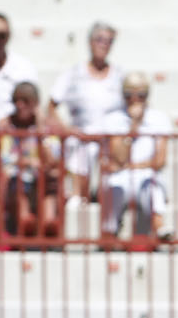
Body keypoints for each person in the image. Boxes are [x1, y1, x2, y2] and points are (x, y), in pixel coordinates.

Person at [47, 21, 123, 202]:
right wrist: (67, 130)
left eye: (109, 41)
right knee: (80, 194)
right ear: (90, 42)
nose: (104, 45)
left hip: (109, 143)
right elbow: (51, 106)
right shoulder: (73, 73)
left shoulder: (120, 75)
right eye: (100, 39)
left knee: (109, 193)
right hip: (81, 141)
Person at [98, 72, 172, 243]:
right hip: (121, 176)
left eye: (141, 95)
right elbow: (120, 158)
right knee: (115, 186)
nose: (135, 100)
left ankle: (159, 226)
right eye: (129, 95)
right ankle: (110, 233)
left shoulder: (159, 119)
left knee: (151, 185)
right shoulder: (113, 119)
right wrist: (133, 127)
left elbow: (160, 161)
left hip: (146, 174)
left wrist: (132, 166)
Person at [0, 82, 58, 239]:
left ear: (35, 104)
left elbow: (52, 162)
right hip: (15, 179)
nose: (20, 105)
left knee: (50, 179)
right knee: (18, 181)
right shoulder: (4, 126)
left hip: (39, 177)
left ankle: (49, 223)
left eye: (25, 100)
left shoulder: (47, 126)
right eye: (16, 100)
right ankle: (25, 221)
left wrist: (40, 132)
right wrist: (25, 162)